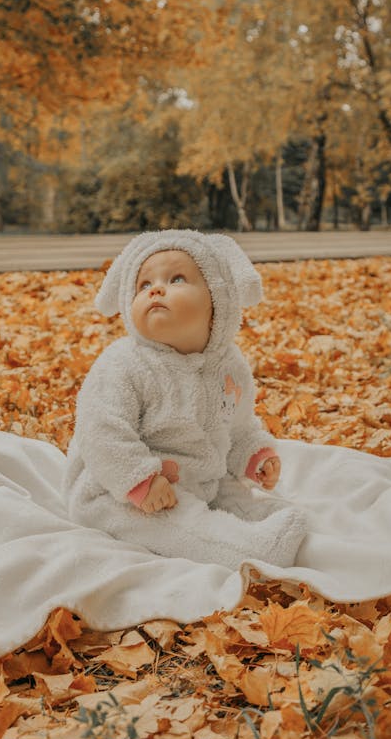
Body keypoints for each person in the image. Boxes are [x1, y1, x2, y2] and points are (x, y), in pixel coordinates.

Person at [64, 229, 308, 570]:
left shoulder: (229, 366)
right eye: (144, 285)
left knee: (235, 496)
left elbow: (236, 425)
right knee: (182, 524)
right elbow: (99, 431)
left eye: (177, 278)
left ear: (217, 298)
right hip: (119, 491)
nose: (157, 289)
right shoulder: (124, 363)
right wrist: (139, 479)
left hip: (201, 477)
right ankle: (254, 552)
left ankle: (271, 519)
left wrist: (253, 455)